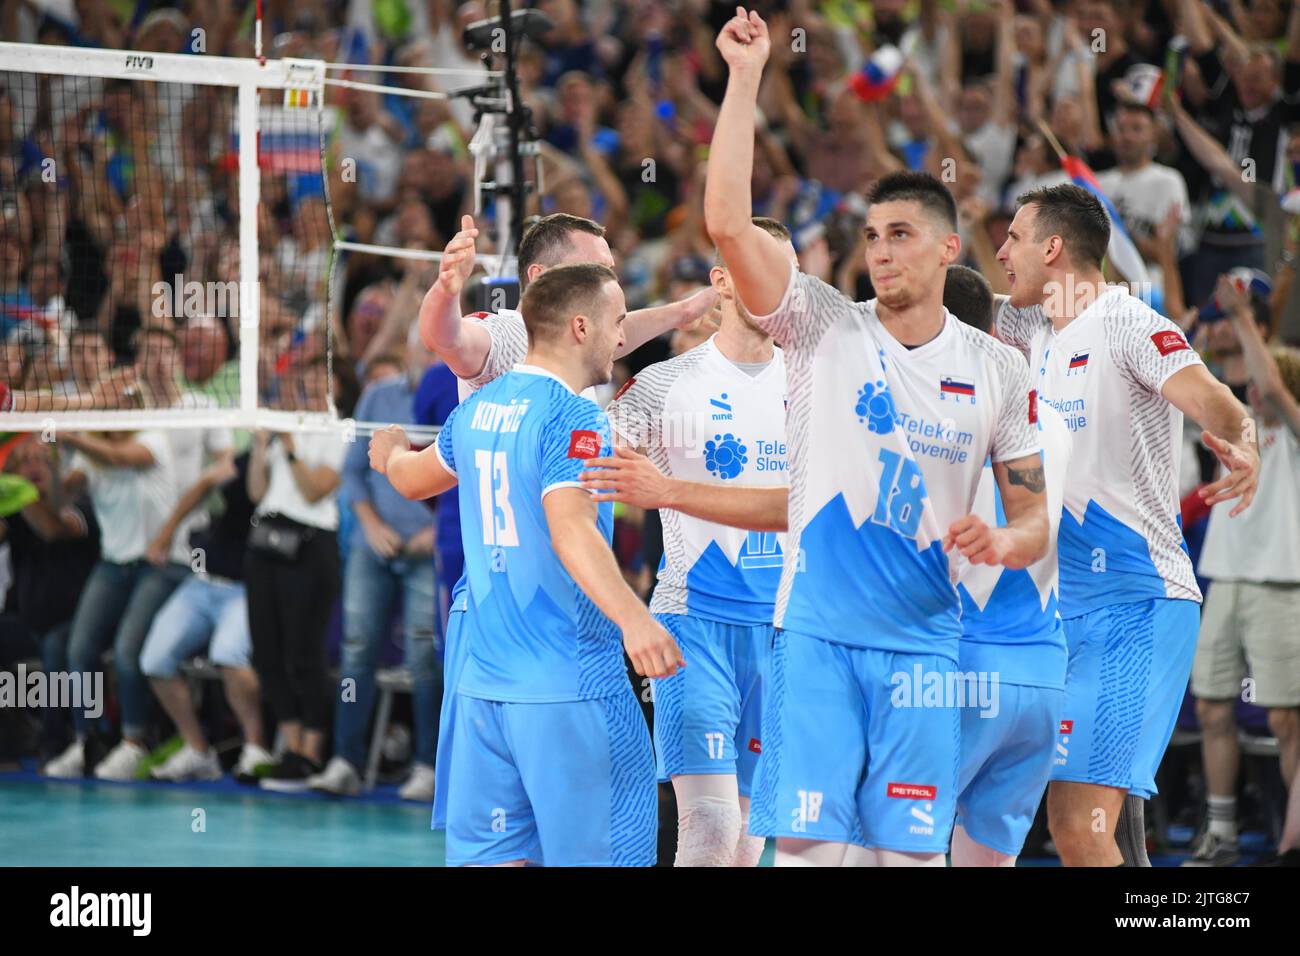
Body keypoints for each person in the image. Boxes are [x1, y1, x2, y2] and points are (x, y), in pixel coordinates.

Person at [690, 8, 1050, 867]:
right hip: (815, 633)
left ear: (947, 248)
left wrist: (1004, 535)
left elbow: (1039, 516)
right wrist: (746, 82)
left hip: (926, 642)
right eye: (871, 236)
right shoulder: (820, 324)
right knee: (811, 849)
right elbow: (730, 228)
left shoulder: (999, 371)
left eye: (900, 235)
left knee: (911, 860)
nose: (880, 252)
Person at [369, 263, 682, 866]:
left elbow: (412, 480)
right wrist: (635, 621)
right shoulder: (577, 418)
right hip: (570, 689)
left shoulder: (481, 409)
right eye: (618, 323)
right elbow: (571, 530)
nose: (623, 339)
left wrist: (388, 456)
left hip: (483, 692)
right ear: (581, 327)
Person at [415, 210, 715, 834]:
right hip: (535, 610)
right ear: (545, 280)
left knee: (507, 836)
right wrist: (445, 291)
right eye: (598, 272)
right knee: (591, 830)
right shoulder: (504, 334)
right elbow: (450, 339)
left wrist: (685, 312)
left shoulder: (570, 353)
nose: (613, 290)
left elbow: (612, 331)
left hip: (521, 605)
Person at [995, 183, 1260, 866]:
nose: (1001, 253)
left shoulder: (1127, 322)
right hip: (1060, 613)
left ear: (1053, 247)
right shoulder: (1025, 326)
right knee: (1084, 827)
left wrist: (1242, 439)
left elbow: (1216, 402)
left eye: (1014, 239)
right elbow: (941, 309)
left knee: (1081, 825)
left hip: (1136, 602)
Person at [600, 216, 795, 867]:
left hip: (785, 632)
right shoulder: (663, 384)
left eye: (784, 277)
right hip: (695, 622)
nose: (773, 290)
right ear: (720, 281)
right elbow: (579, 469)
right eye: (754, 272)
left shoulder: (815, 386)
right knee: (709, 829)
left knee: (748, 840)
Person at [946, 266, 1075, 867]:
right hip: (1045, 669)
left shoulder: (937, 403)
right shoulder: (1051, 413)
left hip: (961, 657)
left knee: (887, 844)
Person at [1184, 275, 1300, 866]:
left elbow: (1274, 386)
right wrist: (1210, 320)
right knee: (1211, 706)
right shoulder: (1236, 430)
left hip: (1282, 580)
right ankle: (1221, 831)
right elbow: (1200, 366)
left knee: (1285, 717)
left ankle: (1292, 840)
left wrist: (1244, 314)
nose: (1249, 385)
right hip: (1224, 574)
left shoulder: (1292, 423)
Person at [308, 338, 440, 801]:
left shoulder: (457, 398)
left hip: (429, 547)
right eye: (419, 346)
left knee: (425, 655)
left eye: (434, 347)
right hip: (374, 544)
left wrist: (437, 532)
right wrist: (371, 524)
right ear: (405, 352)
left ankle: (427, 766)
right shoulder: (378, 396)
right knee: (357, 647)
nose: (425, 353)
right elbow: (353, 473)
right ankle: (345, 760)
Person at [43, 427, 178, 779]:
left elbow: (118, 457)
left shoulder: (153, 438)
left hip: (158, 565)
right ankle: (87, 739)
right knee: (77, 649)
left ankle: (135, 742)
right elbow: (59, 503)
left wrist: (71, 437)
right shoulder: (89, 456)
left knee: (126, 651)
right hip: (112, 566)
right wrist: (56, 459)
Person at [141, 451, 274, 784]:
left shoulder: (288, 464)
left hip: (247, 588)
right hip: (203, 581)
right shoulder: (244, 459)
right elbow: (205, 483)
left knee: (229, 654)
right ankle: (199, 751)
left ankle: (256, 748)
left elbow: (261, 494)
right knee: (154, 660)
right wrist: (166, 532)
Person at [245, 358, 346, 792]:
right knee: (266, 650)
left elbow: (315, 488)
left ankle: (311, 750)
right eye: (304, 379)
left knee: (305, 652)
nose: (308, 386)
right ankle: (289, 745)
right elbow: (255, 491)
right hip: (266, 540)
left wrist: (287, 445)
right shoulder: (283, 424)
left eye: (318, 380)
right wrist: (260, 448)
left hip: (311, 546)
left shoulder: (339, 429)